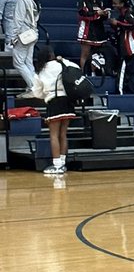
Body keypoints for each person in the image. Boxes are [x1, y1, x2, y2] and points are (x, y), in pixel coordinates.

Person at [30, 45, 80, 176]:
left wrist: (46, 94)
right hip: (68, 101)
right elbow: (76, 68)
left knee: (53, 135)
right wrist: (62, 60)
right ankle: (62, 163)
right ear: (52, 55)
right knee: (63, 134)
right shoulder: (62, 64)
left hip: (54, 102)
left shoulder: (40, 72)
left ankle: (57, 165)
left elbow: (37, 93)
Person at [11, 0, 40, 90]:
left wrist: (14, 36)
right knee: (28, 62)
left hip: (24, 34)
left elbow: (18, 20)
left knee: (18, 63)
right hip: (33, 33)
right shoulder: (34, 0)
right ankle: (34, 85)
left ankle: (34, 86)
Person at [109, 0, 134, 94]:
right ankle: (132, 91)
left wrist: (117, 23)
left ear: (122, 4)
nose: (113, 5)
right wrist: (113, 24)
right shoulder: (122, 15)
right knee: (128, 70)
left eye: (115, 3)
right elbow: (121, 28)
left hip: (128, 47)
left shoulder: (128, 15)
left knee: (123, 69)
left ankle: (120, 91)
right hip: (126, 46)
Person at [76, 0, 112, 70]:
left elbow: (102, 16)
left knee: (96, 54)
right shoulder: (83, 0)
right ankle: (83, 73)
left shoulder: (100, 1)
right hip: (87, 29)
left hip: (98, 29)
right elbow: (83, 14)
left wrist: (105, 14)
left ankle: (93, 72)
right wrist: (97, 13)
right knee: (85, 54)